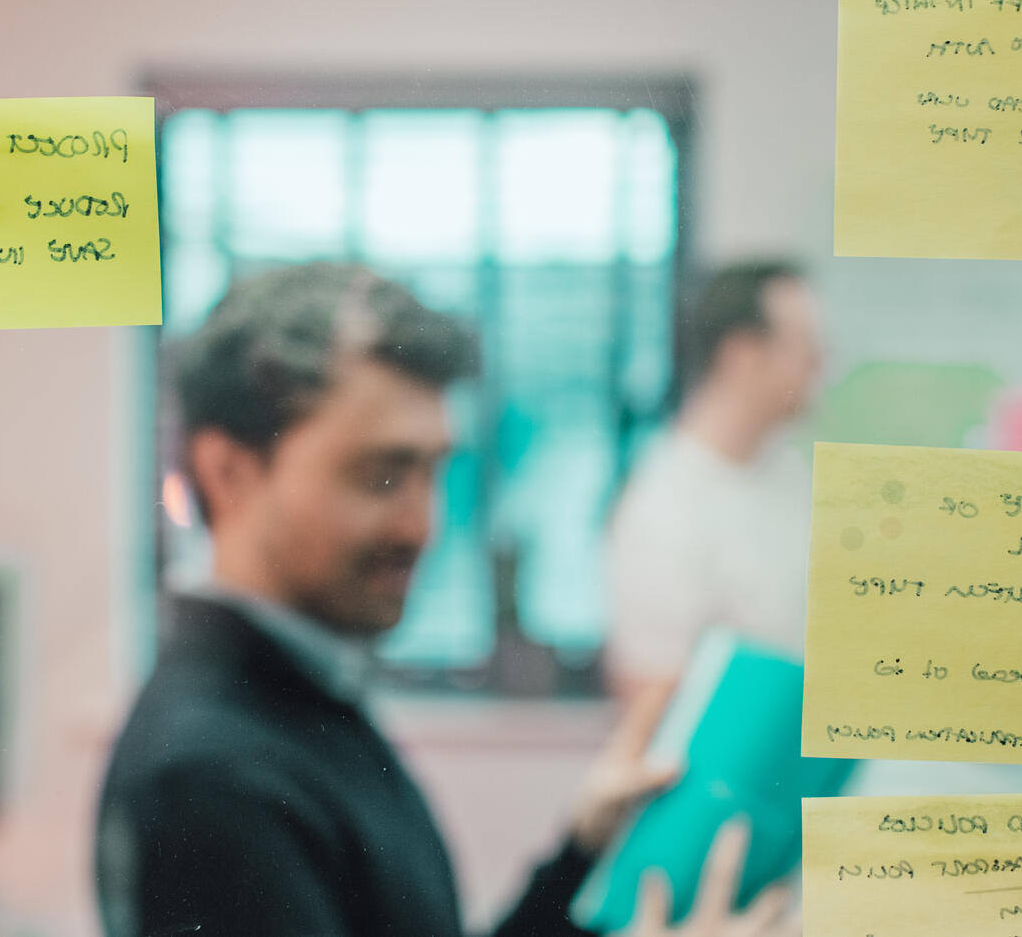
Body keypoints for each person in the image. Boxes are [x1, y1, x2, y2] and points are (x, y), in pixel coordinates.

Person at [96, 263, 797, 937]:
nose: (422, 524)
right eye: (380, 476)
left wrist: (584, 849)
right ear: (229, 472)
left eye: (433, 471)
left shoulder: (301, 699)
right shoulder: (208, 778)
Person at [604, 261, 828, 699]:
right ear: (743, 356)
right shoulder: (662, 507)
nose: (821, 368)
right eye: (808, 350)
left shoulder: (790, 473)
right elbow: (654, 709)